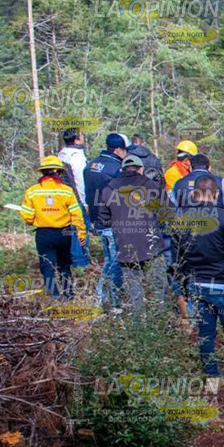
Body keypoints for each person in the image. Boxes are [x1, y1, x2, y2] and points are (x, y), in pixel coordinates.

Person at [170, 175, 224, 396]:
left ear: (194, 194)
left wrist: (182, 289)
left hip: (197, 285)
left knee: (205, 334)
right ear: (216, 195)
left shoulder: (182, 219)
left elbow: (177, 257)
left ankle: (212, 378)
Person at [98, 155, 171, 312]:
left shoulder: (108, 189)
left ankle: (137, 326)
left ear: (121, 170)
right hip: (152, 246)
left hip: (125, 247)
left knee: (134, 293)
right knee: (158, 290)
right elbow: (168, 214)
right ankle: (161, 327)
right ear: (141, 169)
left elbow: (103, 219)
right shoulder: (152, 186)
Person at [19, 155, 86, 300]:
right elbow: (77, 215)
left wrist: (38, 218)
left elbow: (27, 216)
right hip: (64, 233)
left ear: (42, 172)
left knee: (47, 266)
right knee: (64, 265)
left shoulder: (32, 191)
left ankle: (54, 296)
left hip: (44, 234)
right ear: (59, 173)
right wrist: (81, 234)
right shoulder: (66, 191)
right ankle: (68, 295)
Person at [84, 133, 130, 306]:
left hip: (98, 219)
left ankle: (108, 296)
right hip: (113, 219)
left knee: (110, 258)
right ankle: (105, 297)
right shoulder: (117, 168)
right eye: (125, 150)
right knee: (116, 260)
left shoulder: (91, 165)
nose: (126, 154)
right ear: (118, 149)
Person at [172, 154, 224, 231]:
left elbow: (173, 211)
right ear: (209, 167)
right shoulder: (221, 182)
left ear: (190, 168)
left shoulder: (178, 184)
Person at [57, 128, 90, 269]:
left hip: (63, 196)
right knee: (80, 227)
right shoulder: (76, 156)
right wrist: (85, 202)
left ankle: (71, 258)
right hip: (76, 197)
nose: (83, 137)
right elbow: (80, 180)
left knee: (70, 228)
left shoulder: (61, 154)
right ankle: (80, 261)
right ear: (76, 139)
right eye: (81, 136)